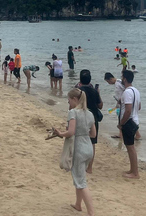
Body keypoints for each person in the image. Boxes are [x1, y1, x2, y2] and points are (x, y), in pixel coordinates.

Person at [52, 88, 96, 216]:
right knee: (79, 177)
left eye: (69, 100)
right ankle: (78, 204)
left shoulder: (73, 112)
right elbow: (93, 134)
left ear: (75, 99)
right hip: (88, 147)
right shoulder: (89, 113)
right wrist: (83, 132)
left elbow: (71, 132)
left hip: (79, 148)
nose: (68, 103)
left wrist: (60, 133)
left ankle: (91, 212)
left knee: (81, 182)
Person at [76, 70, 103, 174]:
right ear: (90, 79)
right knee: (92, 142)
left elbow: (72, 105)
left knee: (79, 140)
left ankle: (80, 164)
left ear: (80, 79)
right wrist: (98, 93)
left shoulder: (78, 91)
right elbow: (100, 106)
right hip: (93, 119)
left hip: (80, 117)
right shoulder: (94, 91)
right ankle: (90, 167)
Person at [119, 70, 141, 179]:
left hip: (129, 122)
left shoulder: (127, 92)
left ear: (125, 79)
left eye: (122, 77)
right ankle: (133, 169)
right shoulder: (136, 91)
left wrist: (121, 123)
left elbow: (128, 110)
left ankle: (135, 172)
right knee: (130, 147)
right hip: (135, 120)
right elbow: (139, 106)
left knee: (130, 148)